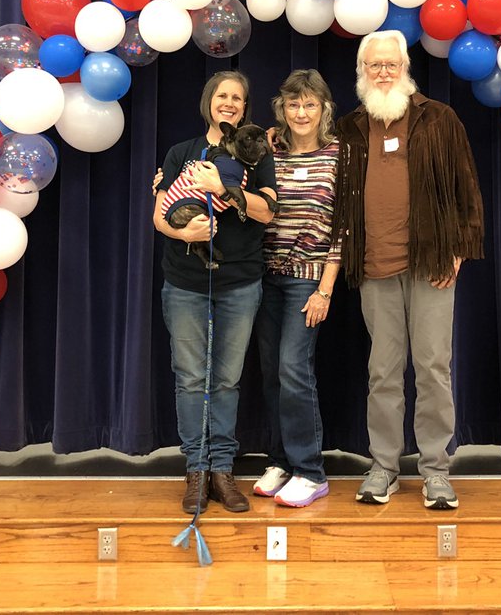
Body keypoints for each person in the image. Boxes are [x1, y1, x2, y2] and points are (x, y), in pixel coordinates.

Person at [331, 30, 483, 510]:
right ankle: (384, 467)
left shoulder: (439, 118)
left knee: (434, 369)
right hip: (374, 266)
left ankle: (436, 470)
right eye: (373, 65)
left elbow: (466, 188)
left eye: (390, 64)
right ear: (362, 71)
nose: (382, 72)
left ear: (405, 67)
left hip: (432, 264)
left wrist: (457, 250)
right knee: (383, 373)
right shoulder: (350, 127)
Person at [152, 71, 277, 514]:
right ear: (209, 102)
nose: (230, 103)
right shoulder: (180, 152)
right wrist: (186, 231)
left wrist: (222, 188)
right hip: (185, 283)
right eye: (223, 96)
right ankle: (196, 469)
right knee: (190, 379)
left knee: (225, 381)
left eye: (238, 99)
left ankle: (222, 470)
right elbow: (159, 217)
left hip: (240, 283)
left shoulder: (256, 153)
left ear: (244, 109)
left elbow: (266, 211)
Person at [251, 70, 340, 508]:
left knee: (293, 369)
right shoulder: (270, 151)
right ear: (282, 110)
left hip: (307, 278)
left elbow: (343, 229)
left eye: (309, 104)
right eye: (293, 104)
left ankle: (310, 470)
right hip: (263, 276)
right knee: (271, 373)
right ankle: (280, 460)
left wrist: (324, 289)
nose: (301, 112)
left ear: (323, 108)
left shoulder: (339, 154)